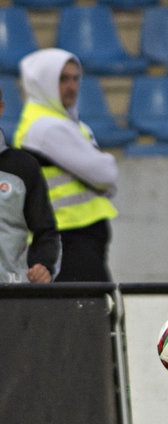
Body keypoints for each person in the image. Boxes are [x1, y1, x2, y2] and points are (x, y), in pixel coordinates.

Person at [14, 48, 118, 282]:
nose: (72, 86)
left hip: (76, 236)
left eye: (75, 78)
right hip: (69, 239)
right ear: (44, 82)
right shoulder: (47, 127)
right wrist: (107, 163)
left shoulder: (61, 121)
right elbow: (106, 173)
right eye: (62, 79)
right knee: (88, 313)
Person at [0, 83, 61, 284]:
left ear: (0, 108)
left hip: (12, 297)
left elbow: (46, 232)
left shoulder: (23, 168)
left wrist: (44, 267)